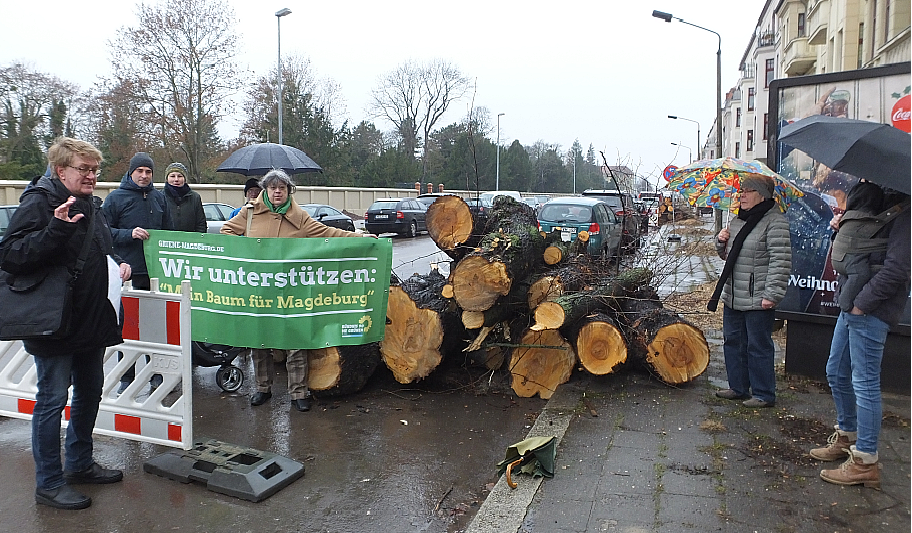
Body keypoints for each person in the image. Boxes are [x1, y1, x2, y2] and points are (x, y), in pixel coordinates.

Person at [0, 137, 131, 510]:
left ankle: (79, 464)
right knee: (52, 400)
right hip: (53, 322)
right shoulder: (39, 200)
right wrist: (55, 229)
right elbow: (11, 255)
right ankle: (49, 483)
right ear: (61, 170)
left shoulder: (91, 203)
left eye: (95, 170)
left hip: (89, 318)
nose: (92, 176)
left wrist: (116, 260)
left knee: (89, 393)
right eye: (84, 169)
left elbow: (97, 246)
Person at [220, 170, 373, 412]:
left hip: (292, 291)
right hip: (259, 290)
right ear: (265, 190)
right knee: (259, 342)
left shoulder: (300, 218)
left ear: (289, 191)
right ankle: (262, 388)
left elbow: (329, 234)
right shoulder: (248, 214)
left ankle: (298, 392)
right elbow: (226, 233)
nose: (277, 191)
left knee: (295, 342)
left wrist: (360, 237)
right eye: (273, 188)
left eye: (282, 187)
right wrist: (246, 252)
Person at [810, 182, 910, 489]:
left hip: (871, 310)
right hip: (851, 304)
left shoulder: (905, 214)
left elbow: (897, 270)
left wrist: (861, 305)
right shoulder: (878, 205)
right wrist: (838, 229)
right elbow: (853, 254)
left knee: (864, 382)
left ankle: (865, 460)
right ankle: (847, 435)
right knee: (836, 372)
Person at [709, 175, 792, 408]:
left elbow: (781, 260)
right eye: (741, 191)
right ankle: (738, 387)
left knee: (758, 345)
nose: (741, 195)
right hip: (734, 293)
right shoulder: (738, 220)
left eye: (747, 191)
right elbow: (728, 256)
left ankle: (764, 394)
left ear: (762, 195)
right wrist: (720, 242)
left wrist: (772, 294)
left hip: (758, 296)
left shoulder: (775, 222)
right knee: (732, 341)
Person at [102, 152, 173, 393]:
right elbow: (103, 233)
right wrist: (128, 233)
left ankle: (155, 375)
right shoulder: (115, 199)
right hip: (125, 273)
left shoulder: (159, 198)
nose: (144, 176)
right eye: (139, 171)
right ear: (131, 173)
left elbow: (169, 232)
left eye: (148, 171)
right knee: (126, 327)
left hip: (153, 273)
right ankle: (126, 377)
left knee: (154, 327)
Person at [162, 162, 206, 233]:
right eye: (172, 176)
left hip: (190, 241)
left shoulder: (195, 197)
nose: (176, 179)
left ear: (185, 179)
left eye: (180, 176)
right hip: (166, 241)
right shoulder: (159, 197)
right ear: (167, 179)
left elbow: (201, 224)